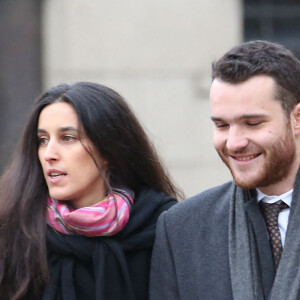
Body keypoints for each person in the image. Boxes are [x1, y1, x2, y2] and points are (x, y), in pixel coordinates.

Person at [0, 82, 181, 300]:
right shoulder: (14, 232)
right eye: (42, 140)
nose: (49, 154)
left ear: (108, 150)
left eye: (68, 138)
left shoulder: (165, 228)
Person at [150, 40, 300, 300]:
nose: (234, 142)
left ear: (296, 119)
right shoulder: (182, 230)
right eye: (221, 125)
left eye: (252, 123)